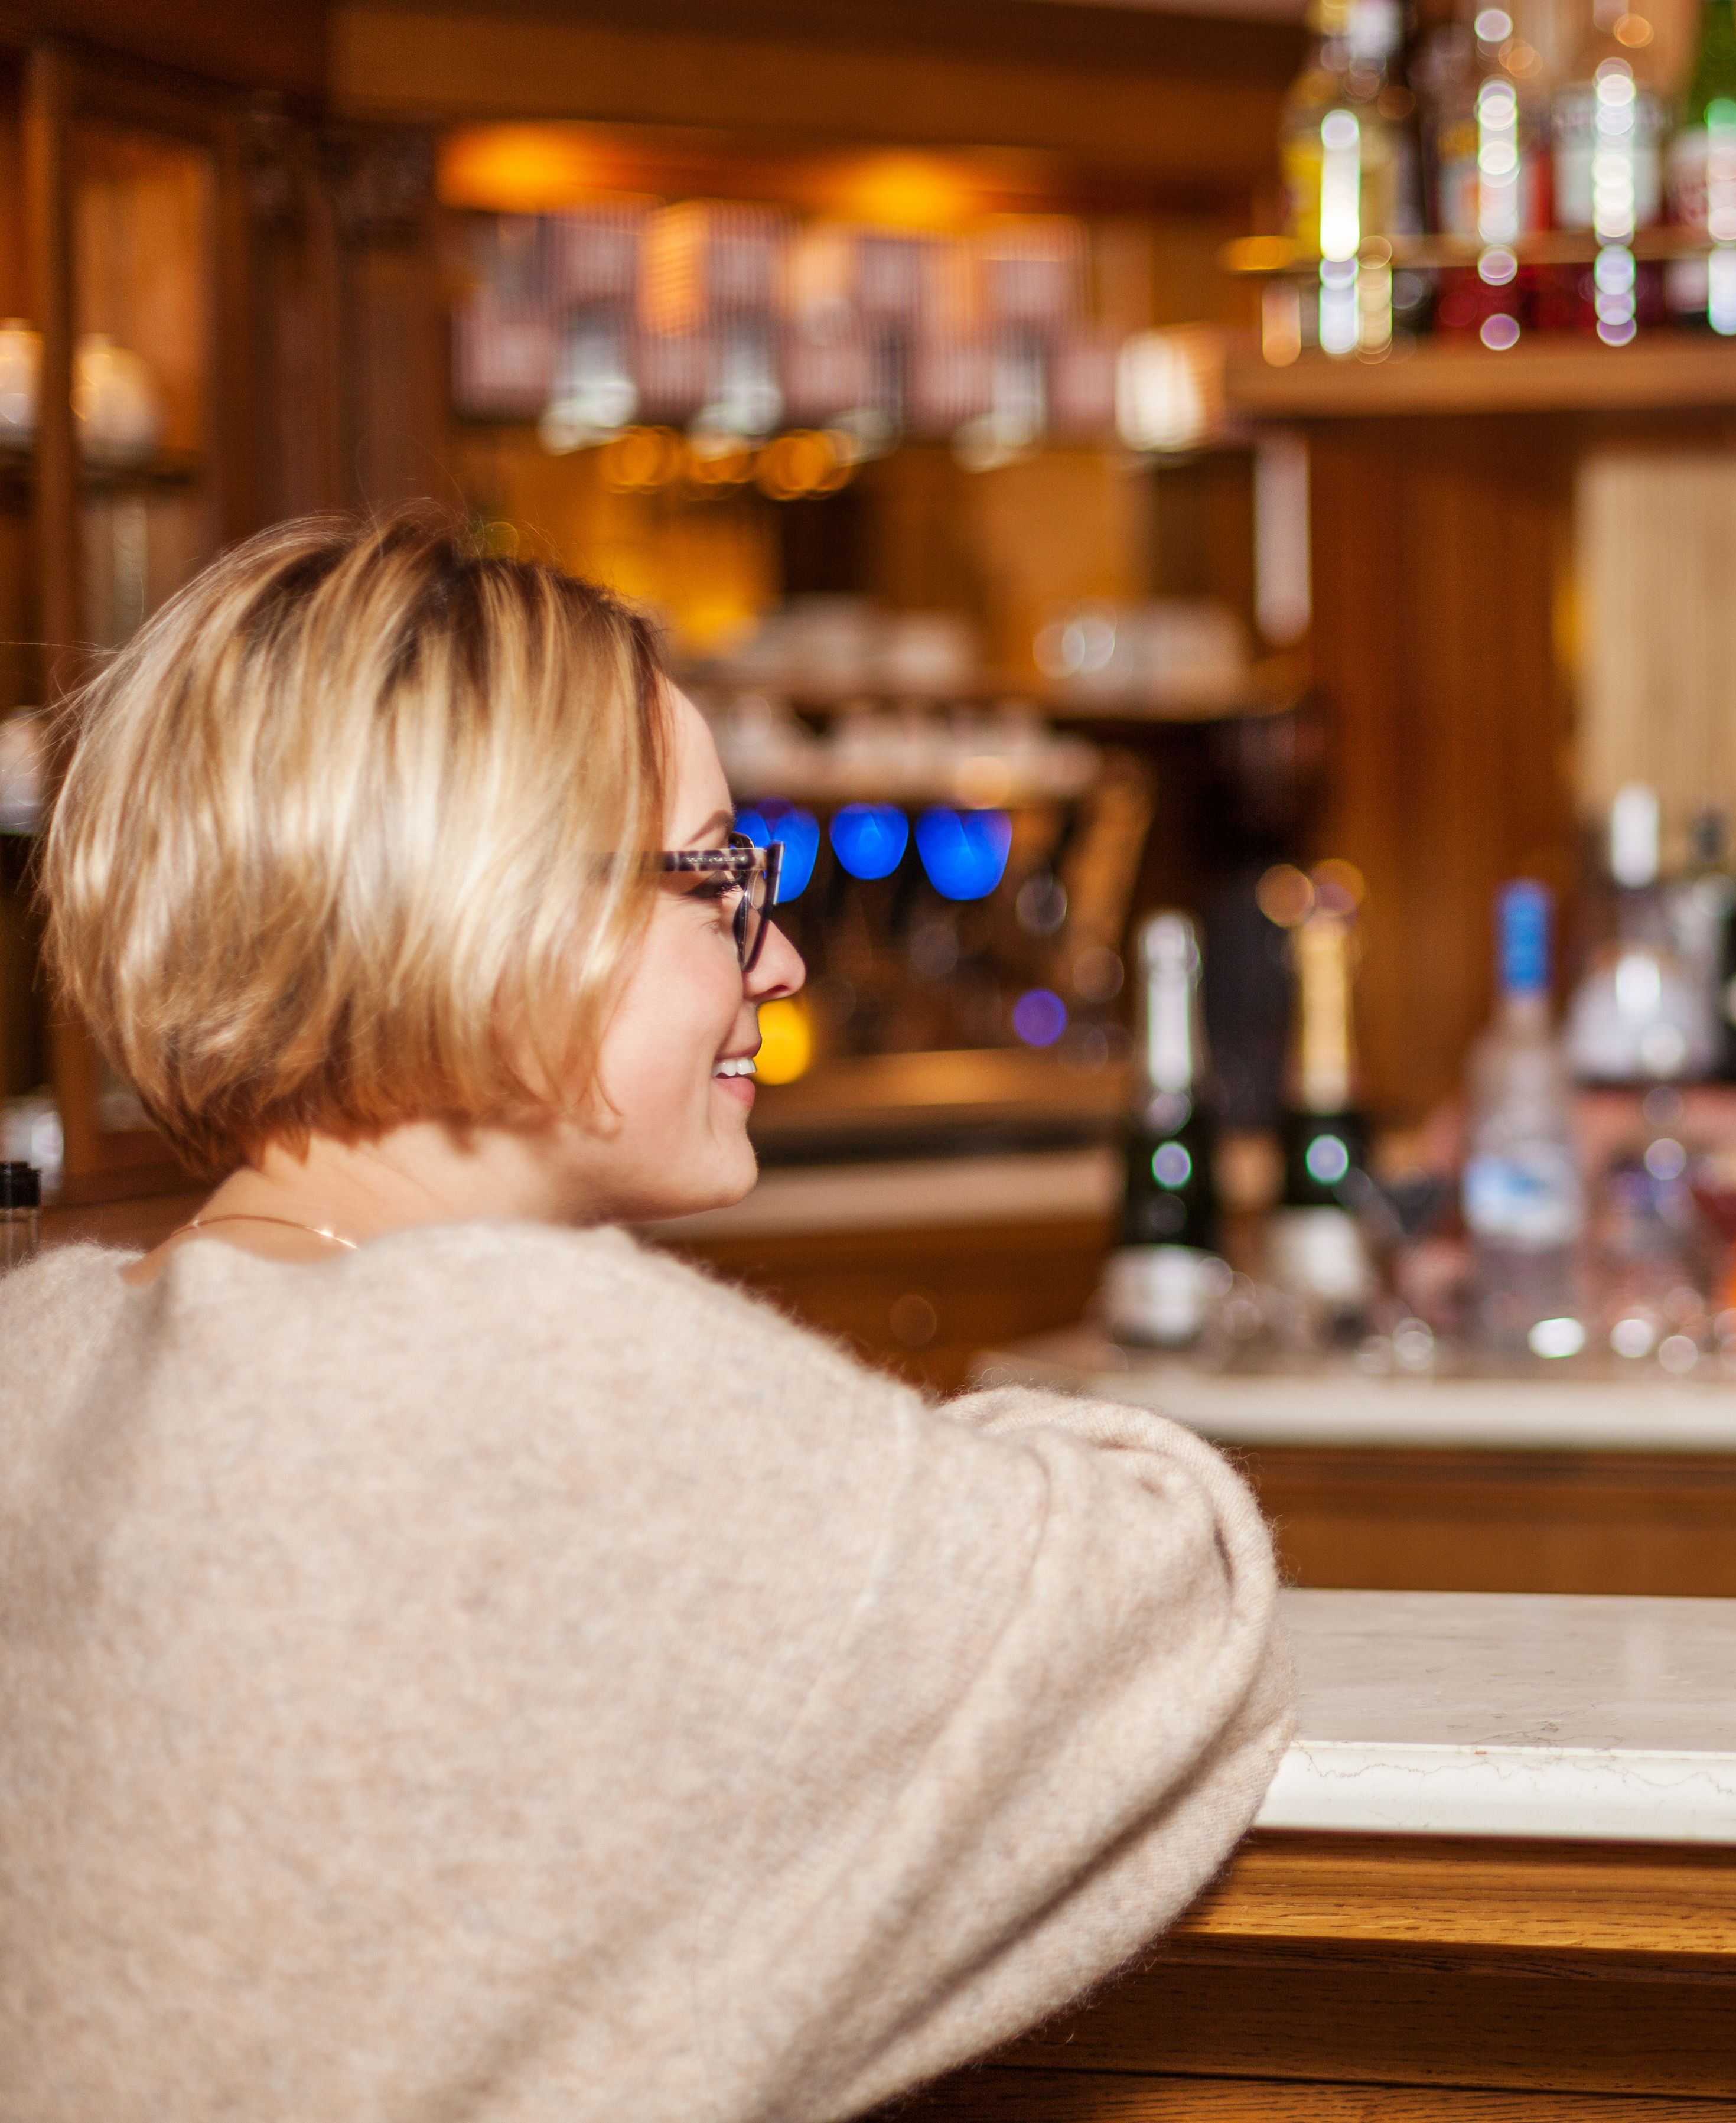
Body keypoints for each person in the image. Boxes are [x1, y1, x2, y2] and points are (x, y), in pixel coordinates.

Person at [0, 515, 1292, 2119]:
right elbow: (1165, 1588)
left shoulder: (41, 1357)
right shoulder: (539, 1368)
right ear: (496, 912)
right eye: (720, 880)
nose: (783, 960)